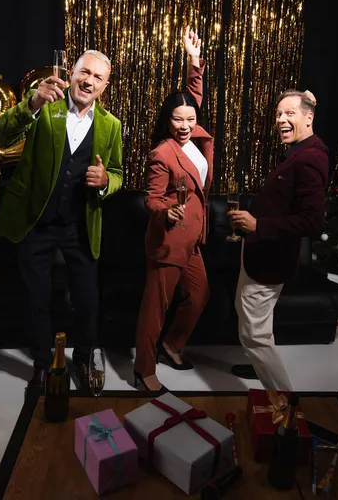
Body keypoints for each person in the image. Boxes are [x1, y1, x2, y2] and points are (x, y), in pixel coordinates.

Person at [0, 50, 123, 393]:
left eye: (97, 77)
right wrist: (31, 103)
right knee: (36, 299)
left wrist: (106, 181)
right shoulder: (44, 106)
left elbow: (119, 173)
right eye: (84, 72)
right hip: (36, 220)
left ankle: (82, 357)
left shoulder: (111, 125)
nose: (88, 80)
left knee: (87, 301)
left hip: (79, 224)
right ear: (72, 73)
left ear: (104, 86)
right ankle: (40, 364)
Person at [228, 89, 328, 403]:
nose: (281, 120)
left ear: (309, 118)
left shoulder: (311, 157)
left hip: (270, 261)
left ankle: (285, 404)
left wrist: (258, 225)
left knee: (254, 337)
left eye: (290, 114)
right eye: (279, 114)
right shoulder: (300, 148)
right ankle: (261, 366)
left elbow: (312, 222)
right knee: (251, 324)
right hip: (258, 255)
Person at [134, 25, 213, 392]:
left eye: (189, 119)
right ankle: (144, 369)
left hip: (193, 239)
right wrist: (165, 211)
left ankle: (172, 345)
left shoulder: (196, 134)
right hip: (168, 240)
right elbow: (150, 198)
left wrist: (193, 61)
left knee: (199, 295)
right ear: (167, 120)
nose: (184, 125)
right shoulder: (161, 153)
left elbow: (192, 95)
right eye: (177, 119)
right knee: (155, 308)